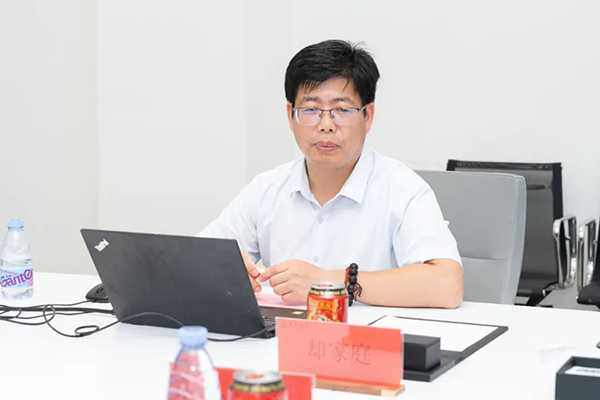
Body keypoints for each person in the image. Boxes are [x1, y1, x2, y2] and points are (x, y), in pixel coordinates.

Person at [198, 40, 463, 308]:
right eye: (311, 110)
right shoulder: (266, 189)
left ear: (368, 116)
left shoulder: (403, 190)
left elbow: (447, 285)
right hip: (283, 332)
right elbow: (190, 259)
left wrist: (326, 281)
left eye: (342, 110)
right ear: (291, 115)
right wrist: (222, 268)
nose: (326, 125)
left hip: (367, 332)